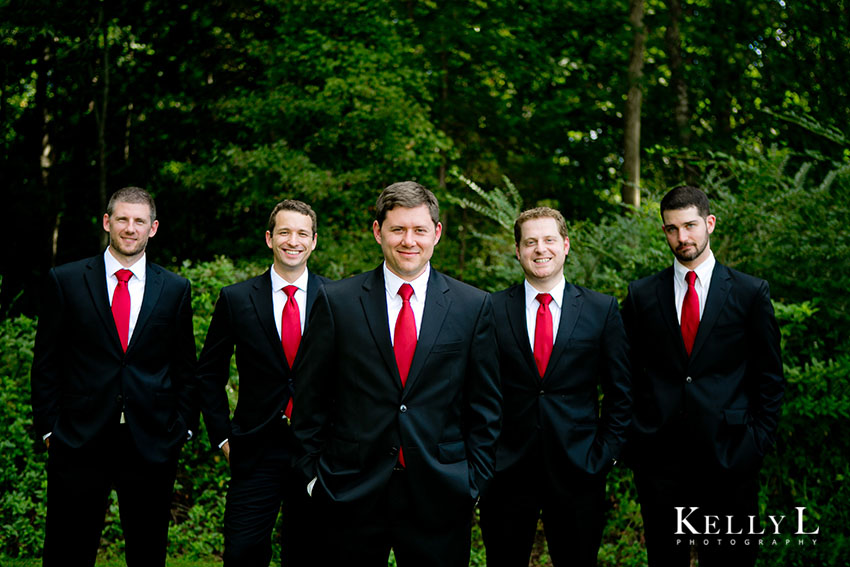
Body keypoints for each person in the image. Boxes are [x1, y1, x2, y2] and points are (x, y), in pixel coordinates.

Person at [291, 181, 501, 566]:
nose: (409, 241)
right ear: (378, 232)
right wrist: (313, 477)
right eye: (398, 229)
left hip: (441, 493)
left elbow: (485, 404)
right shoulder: (337, 302)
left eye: (420, 230)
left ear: (436, 233)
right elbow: (309, 398)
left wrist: (474, 482)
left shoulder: (473, 306)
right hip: (350, 490)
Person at [30, 186, 197, 567]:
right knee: (67, 550)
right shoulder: (66, 280)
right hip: (78, 438)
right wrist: (49, 429)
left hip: (151, 441)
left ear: (153, 228)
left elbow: (186, 368)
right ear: (108, 222)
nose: (130, 228)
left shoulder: (174, 289)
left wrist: (181, 429)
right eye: (122, 219)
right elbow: (46, 364)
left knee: (147, 551)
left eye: (139, 221)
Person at [621, 185, 785, 567]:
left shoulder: (749, 293)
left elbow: (770, 378)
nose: (682, 237)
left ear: (709, 223)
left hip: (731, 458)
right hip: (660, 462)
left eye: (690, 225)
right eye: (672, 229)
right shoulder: (643, 295)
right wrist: (634, 441)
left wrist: (756, 443)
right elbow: (624, 373)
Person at [479, 207, 632, 567]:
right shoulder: (490, 308)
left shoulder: (601, 309)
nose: (540, 249)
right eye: (530, 242)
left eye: (549, 240)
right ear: (517, 251)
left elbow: (620, 393)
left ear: (565, 245)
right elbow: (479, 390)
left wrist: (604, 454)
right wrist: (486, 459)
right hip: (507, 472)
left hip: (579, 469)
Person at [196, 199, 330, 566]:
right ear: (270, 238)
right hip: (254, 449)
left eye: (302, 233)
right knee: (242, 553)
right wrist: (223, 436)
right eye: (284, 232)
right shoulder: (236, 299)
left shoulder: (337, 298)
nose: (293, 240)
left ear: (314, 241)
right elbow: (209, 373)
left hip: (316, 450)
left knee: (307, 554)